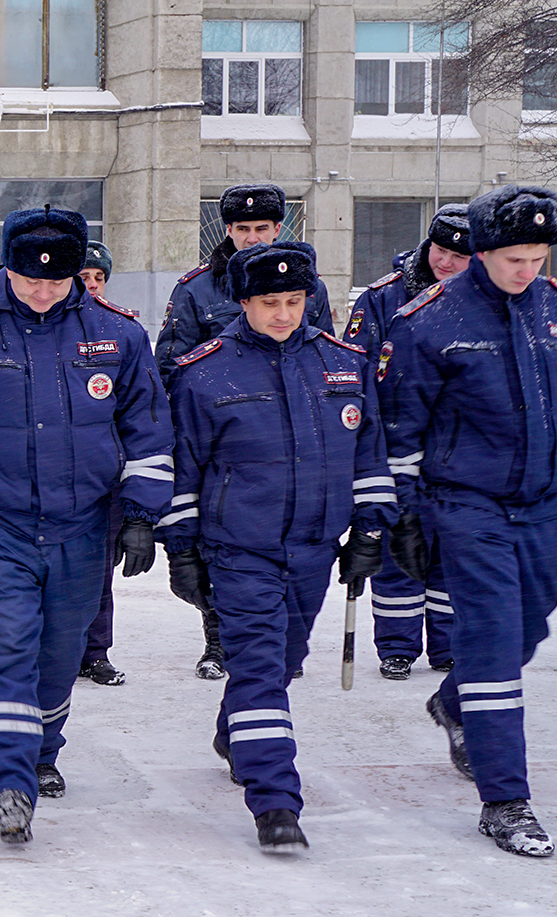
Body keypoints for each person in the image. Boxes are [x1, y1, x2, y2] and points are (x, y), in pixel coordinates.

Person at [0, 207, 171, 843]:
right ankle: (9, 780)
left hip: (83, 526)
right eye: (29, 279)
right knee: (7, 644)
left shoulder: (117, 334)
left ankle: (43, 752)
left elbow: (148, 429)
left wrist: (142, 513)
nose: (43, 291)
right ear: (7, 270)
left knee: (59, 653)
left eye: (58, 280)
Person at [158, 242, 394, 853]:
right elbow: (184, 469)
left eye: (294, 301)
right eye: (270, 302)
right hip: (239, 550)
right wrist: (181, 548)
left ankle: (235, 732)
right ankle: (275, 802)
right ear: (243, 302)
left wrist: (370, 527)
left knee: (282, 663)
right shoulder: (203, 372)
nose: (284, 314)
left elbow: (369, 455)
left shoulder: (344, 364)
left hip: (316, 546)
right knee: (261, 668)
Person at [384, 184, 557, 858]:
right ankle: (505, 800)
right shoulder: (429, 321)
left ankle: (456, 704)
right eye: (515, 257)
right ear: (482, 252)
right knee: (489, 643)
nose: (526, 271)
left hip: (542, 504)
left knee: (529, 629)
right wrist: (402, 515)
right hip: (467, 505)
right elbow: (399, 431)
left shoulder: (551, 310)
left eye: (537, 258)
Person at [157, 183, 336, 682]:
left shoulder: (308, 286)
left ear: (279, 229)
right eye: (242, 229)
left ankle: (273, 645)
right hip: (223, 438)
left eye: (262, 229)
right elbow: (171, 366)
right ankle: (220, 639)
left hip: (291, 435)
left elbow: (323, 355)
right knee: (224, 546)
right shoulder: (195, 290)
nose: (253, 239)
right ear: (227, 230)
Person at [344, 203, 469, 681]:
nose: (445, 263)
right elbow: (355, 371)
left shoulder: (484, 298)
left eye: (458, 257)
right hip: (394, 440)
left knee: (451, 552)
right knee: (398, 546)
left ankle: (448, 644)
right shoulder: (382, 298)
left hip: (458, 448)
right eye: (439, 251)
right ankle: (396, 646)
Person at [73, 240, 130, 687]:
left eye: (98, 280)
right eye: (83, 279)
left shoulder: (119, 332)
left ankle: (95, 652)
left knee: (100, 571)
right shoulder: (52, 327)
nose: (91, 287)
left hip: (103, 476)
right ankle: (56, 651)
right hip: (56, 473)